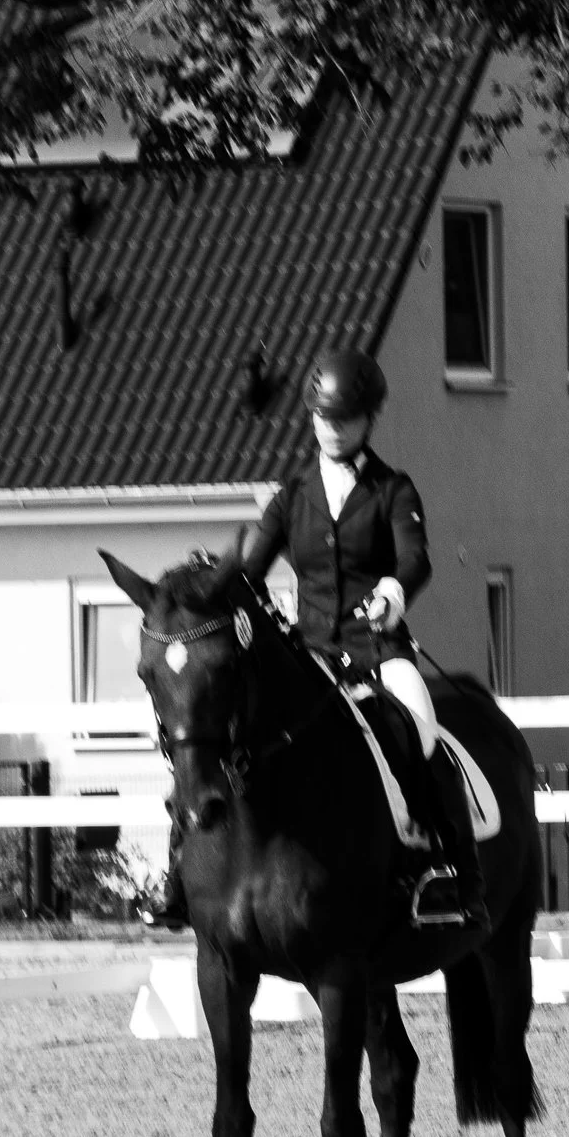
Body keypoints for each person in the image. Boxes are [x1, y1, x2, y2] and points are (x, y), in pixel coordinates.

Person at [153, 346, 487, 931]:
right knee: (215, 733)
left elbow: (417, 560)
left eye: (345, 420)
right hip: (309, 657)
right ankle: (180, 871)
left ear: (368, 420)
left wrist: (391, 594)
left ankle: (449, 873)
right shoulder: (291, 497)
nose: (333, 430)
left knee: (422, 731)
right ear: (310, 418)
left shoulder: (393, 490)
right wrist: (208, 582)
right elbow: (250, 567)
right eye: (324, 419)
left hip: (379, 653)